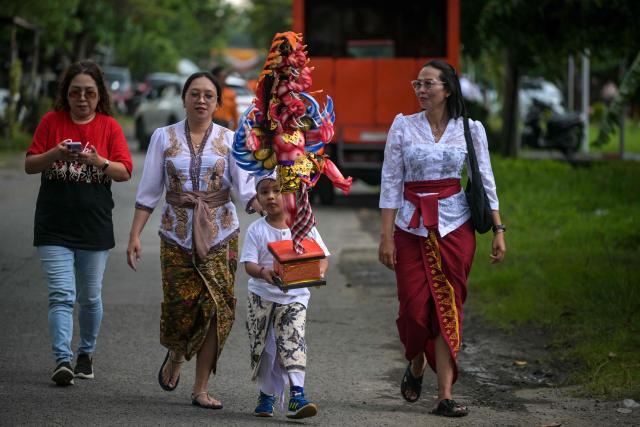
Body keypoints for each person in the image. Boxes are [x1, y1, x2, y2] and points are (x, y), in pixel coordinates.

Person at [378, 59, 506, 417]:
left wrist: (498, 229)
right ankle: (417, 363)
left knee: (448, 306)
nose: (421, 90)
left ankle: (444, 395)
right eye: (417, 84)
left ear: (447, 89)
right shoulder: (402, 127)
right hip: (410, 226)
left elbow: (486, 180)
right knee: (414, 311)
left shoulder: (470, 129)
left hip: (456, 227)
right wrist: (386, 236)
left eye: (428, 84)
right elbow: (391, 183)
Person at [127, 71, 262, 409]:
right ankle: (176, 353)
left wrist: (274, 201)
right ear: (184, 99)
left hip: (222, 233)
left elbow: (246, 189)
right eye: (195, 94)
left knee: (218, 309)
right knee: (180, 309)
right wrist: (134, 235)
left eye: (208, 95)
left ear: (218, 103)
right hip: (175, 233)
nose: (201, 100)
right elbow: (150, 191)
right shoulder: (163, 137)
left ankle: (200, 388)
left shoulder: (231, 140)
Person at [25, 60, 133, 386]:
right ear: (66, 94)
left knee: (89, 297)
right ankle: (62, 360)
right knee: (61, 294)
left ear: (99, 95)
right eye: (75, 92)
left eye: (89, 92)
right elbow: (30, 164)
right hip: (53, 224)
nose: (82, 98)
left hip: (93, 225)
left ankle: (86, 351)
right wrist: (55, 154)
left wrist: (98, 161)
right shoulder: (50, 122)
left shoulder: (109, 127)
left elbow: (125, 171)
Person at [241, 173, 329, 419]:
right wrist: (263, 272)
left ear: (289, 194)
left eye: (277, 190)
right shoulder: (256, 230)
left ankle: (297, 396)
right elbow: (248, 264)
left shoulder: (303, 226)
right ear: (257, 198)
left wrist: (318, 272)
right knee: (267, 349)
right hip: (261, 297)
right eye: (264, 192)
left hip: (295, 297)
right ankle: (267, 394)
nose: (271, 196)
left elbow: (322, 256)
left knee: (293, 341)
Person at [211, 65, 239, 130]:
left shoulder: (230, 93)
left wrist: (236, 127)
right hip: (211, 124)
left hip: (225, 125)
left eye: (225, 76)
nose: (225, 79)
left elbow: (234, 112)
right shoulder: (209, 92)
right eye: (222, 77)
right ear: (215, 77)